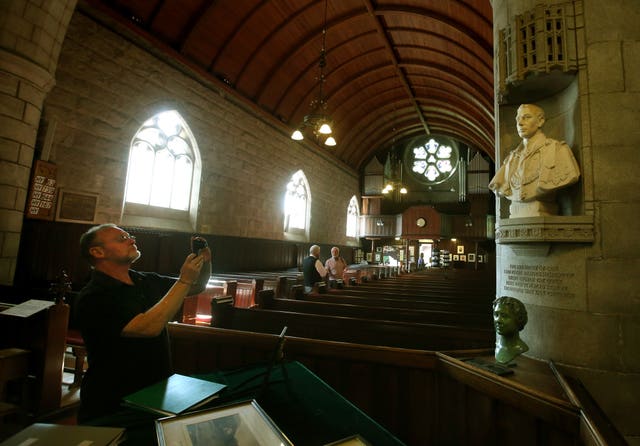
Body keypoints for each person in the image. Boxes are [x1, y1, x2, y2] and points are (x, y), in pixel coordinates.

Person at [75, 224, 212, 429]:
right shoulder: (94, 295)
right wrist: (183, 280)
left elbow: (197, 286)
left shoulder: (145, 280)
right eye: (122, 238)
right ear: (97, 252)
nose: (132, 239)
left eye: (129, 235)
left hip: (156, 390)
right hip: (113, 400)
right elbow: (147, 328)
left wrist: (205, 261)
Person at [488, 103, 580, 218]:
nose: (520, 123)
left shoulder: (558, 150)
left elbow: (570, 176)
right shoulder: (511, 159)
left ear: (540, 121)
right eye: (518, 119)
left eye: (526, 117)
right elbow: (500, 186)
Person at [493, 296, 529, 364]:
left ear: (518, 319)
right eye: (496, 315)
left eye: (504, 316)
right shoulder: (496, 346)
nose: (498, 320)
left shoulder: (521, 348)